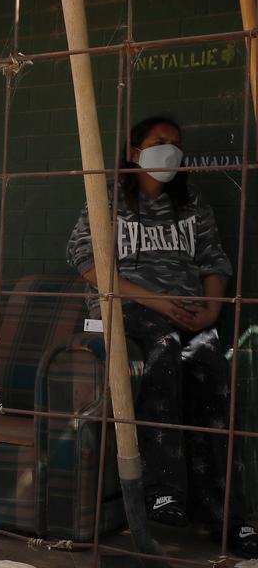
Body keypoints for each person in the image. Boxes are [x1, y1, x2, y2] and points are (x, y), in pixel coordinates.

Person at [66, 115, 257, 558]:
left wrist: (210, 311)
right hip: (131, 311)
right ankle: (162, 489)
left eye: (175, 143)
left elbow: (214, 263)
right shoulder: (109, 197)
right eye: (158, 142)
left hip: (187, 314)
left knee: (212, 366)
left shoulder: (191, 203)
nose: (168, 149)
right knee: (164, 349)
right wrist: (158, 302)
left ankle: (229, 518)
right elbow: (89, 264)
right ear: (135, 152)